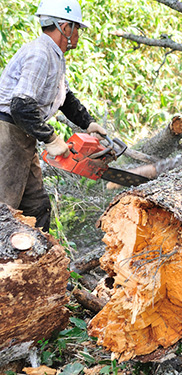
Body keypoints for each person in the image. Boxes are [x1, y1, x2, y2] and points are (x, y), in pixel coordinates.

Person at [0, 0, 107, 232]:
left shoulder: (55, 55)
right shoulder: (40, 54)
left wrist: (88, 123)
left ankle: (38, 259)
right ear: (64, 27)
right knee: (5, 209)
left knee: (36, 206)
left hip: (23, 134)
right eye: (77, 28)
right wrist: (51, 139)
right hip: (8, 133)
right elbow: (20, 105)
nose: (78, 33)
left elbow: (64, 97)